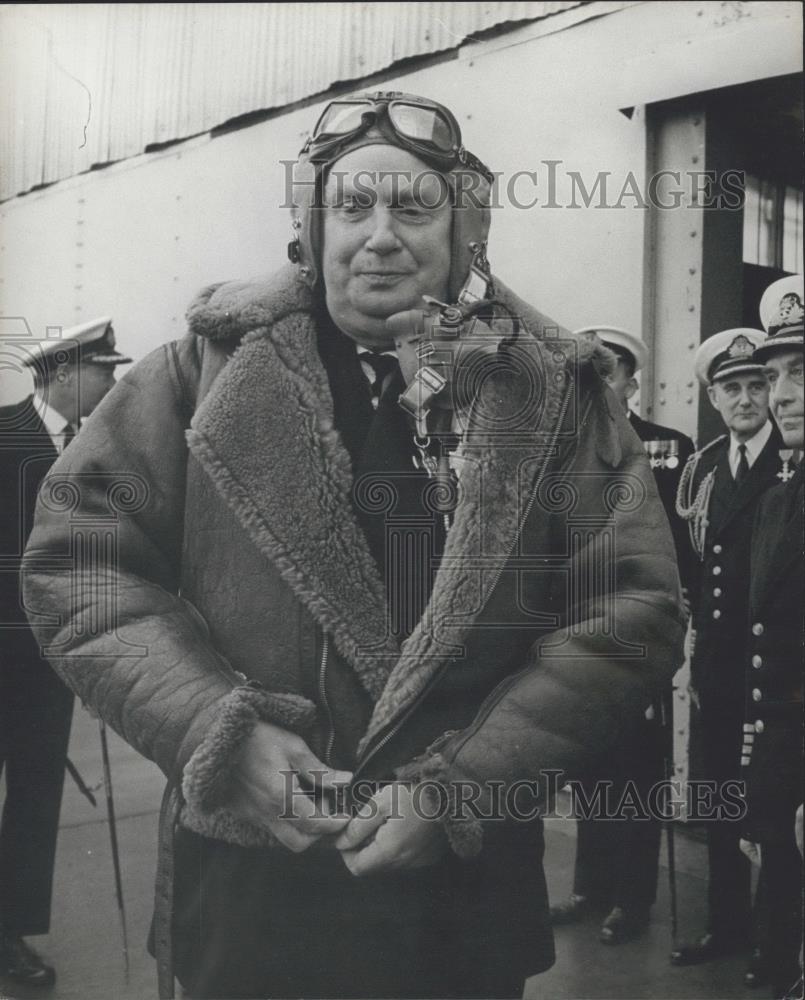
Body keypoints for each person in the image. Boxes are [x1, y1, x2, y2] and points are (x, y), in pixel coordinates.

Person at [21, 92, 685, 1000]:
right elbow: (79, 565)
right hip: (251, 885)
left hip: (460, 890)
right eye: (351, 207)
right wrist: (216, 730)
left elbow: (630, 608)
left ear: (464, 235)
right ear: (310, 231)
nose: (379, 235)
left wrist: (465, 786)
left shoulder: (554, 394)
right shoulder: (194, 377)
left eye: (413, 208)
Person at [550, 327, 694, 945]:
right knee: (589, 759)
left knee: (636, 767)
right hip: (578, 631)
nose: (597, 387)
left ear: (630, 384)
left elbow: (681, 550)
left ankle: (630, 899)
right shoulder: (559, 451)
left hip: (636, 627)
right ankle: (591, 885)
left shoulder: (667, 448)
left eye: (608, 375)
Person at [0, 318, 131, 989]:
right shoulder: (4, 434)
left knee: (32, 799)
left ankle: (9, 934)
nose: (114, 381)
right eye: (105, 368)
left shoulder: (88, 449)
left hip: (44, 667)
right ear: (66, 372)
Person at [672, 326, 788, 972]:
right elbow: (699, 563)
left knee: (769, 806)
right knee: (718, 798)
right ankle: (726, 925)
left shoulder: (790, 463)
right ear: (713, 398)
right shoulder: (704, 466)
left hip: (772, 668)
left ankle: (775, 947)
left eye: (756, 385)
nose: (745, 399)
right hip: (716, 666)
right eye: (731, 388)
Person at [738, 274, 803, 1000]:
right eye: (775, 375)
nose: (780, 394)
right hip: (785, 745)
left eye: (799, 373)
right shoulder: (777, 501)